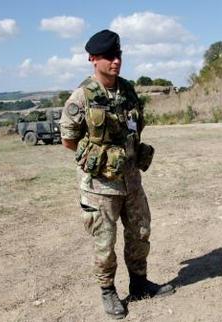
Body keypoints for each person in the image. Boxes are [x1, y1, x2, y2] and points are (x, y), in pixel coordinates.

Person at [59, 29, 175, 319]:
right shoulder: (81, 97)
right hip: (100, 187)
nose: (116, 61)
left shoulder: (128, 90)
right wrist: (101, 159)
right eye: (109, 56)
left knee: (140, 233)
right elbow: (68, 140)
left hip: (132, 181)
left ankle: (139, 283)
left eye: (119, 55)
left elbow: (137, 126)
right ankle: (108, 291)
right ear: (93, 59)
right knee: (105, 243)